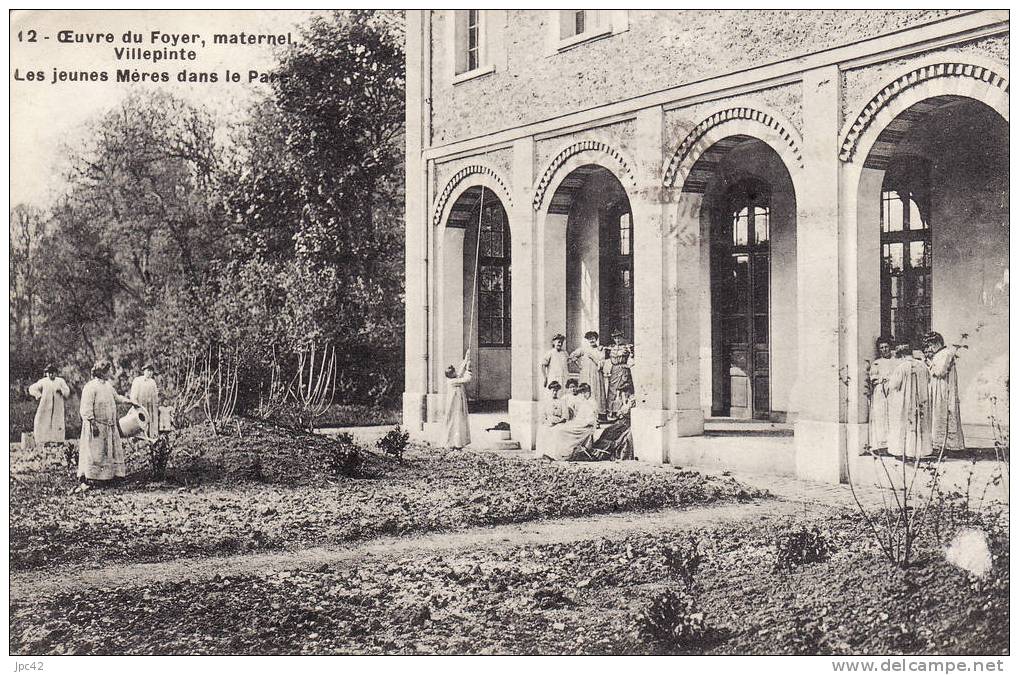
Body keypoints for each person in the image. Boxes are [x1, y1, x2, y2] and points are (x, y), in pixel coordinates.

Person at [77, 360, 140, 492]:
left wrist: (130, 401)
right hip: (96, 425)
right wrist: (92, 423)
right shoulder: (90, 387)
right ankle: (92, 478)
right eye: (108, 370)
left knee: (109, 453)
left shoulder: (107, 386)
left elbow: (116, 397)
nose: (110, 373)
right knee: (96, 452)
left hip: (109, 426)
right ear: (102, 372)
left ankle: (109, 478)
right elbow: (86, 407)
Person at [886, 344, 932, 460]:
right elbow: (929, 380)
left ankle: (905, 451)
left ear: (901, 355)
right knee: (919, 424)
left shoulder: (901, 367)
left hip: (905, 403)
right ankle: (920, 451)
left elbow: (894, 385)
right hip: (921, 401)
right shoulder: (922, 366)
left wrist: (888, 381)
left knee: (905, 424)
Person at [924, 331, 966, 453]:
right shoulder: (939, 354)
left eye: (931, 345)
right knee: (937, 415)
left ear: (936, 343)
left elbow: (940, 372)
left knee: (944, 413)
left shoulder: (946, 354)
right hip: (937, 388)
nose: (930, 348)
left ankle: (948, 445)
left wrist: (929, 364)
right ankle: (939, 444)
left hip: (943, 389)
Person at [28, 364, 71, 445]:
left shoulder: (60, 381)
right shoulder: (43, 381)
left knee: (58, 422)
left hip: (58, 407)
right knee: (43, 421)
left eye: (53, 373)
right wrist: (38, 395)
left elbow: (67, 391)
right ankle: (44, 441)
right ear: (46, 373)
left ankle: (59, 441)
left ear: (56, 373)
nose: (51, 375)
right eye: (49, 373)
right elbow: (32, 388)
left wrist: (61, 391)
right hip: (45, 406)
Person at [868, 336, 896, 452]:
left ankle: (892, 444)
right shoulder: (877, 363)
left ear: (890, 348)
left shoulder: (895, 361)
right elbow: (873, 379)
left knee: (892, 417)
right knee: (881, 417)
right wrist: (880, 380)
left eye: (886, 347)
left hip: (893, 392)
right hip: (880, 392)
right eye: (882, 348)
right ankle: (880, 444)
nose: (884, 350)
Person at [569, 331, 608, 416]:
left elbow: (601, 363)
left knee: (596, 391)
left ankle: (598, 413)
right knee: (585, 391)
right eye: (589, 338)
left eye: (593, 338)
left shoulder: (600, 350)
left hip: (596, 375)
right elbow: (572, 356)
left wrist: (593, 358)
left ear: (596, 339)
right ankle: (584, 412)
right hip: (585, 374)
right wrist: (579, 366)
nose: (591, 340)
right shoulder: (584, 349)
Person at [592, 389, 636, 460]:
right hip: (621, 421)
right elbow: (620, 413)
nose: (624, 394)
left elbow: (625, 412)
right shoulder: (626, 401)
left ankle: (604, 451)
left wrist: (622, 412)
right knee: (607, 430)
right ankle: (598, 450)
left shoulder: (632, 400)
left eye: (625, 392)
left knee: (613, 432)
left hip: (625, 423)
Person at [443, 352, 473, 450]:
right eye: (454, 372)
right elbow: (466, 379)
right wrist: (468, 369)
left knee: (457, 423)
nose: (456, 373)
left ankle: (456, 443)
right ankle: (453, 443)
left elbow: (459, 372)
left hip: (457, 405)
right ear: (451, 375)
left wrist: (466, 358)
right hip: (455, 407)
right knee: (456, 423)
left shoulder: (453, 379)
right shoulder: (452, 381)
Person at [536, 381, 571, 460]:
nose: (555, 392)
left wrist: (557, 422)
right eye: (553, 390)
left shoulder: (562, 402)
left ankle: (553, 455)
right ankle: (543, 453)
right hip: (548, 423)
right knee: (543, 429)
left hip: (559, 423)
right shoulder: (546, 402)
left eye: (556, 391)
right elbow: (542, 416)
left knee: (557, 431)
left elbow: (565, 416)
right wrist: (547, 422)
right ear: (550, 391)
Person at [606, 328, 635, 419]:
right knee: (612, 390)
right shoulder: (610, 347)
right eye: (615, 338)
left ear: (622, 338)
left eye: (619, 338)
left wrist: (629, 363)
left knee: (624, 389)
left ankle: (623, 411)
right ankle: (612, 411)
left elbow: (634, 357)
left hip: (624, 369)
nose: (617, 340)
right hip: (614, 369)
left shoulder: (627, 347)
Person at [129, 363, 160, 439]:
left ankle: (152, 438)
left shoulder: (152, 382)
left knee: (151, 423)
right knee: (139, 424)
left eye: (151, 371)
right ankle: (138, 440)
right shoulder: (138, 380)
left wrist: (155, 405)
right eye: (148, 371)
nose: (150, 373)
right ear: (144, 371)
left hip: (150, 408)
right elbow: (133, 395)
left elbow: (155, 396)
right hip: (140, 406)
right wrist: (136, 404)